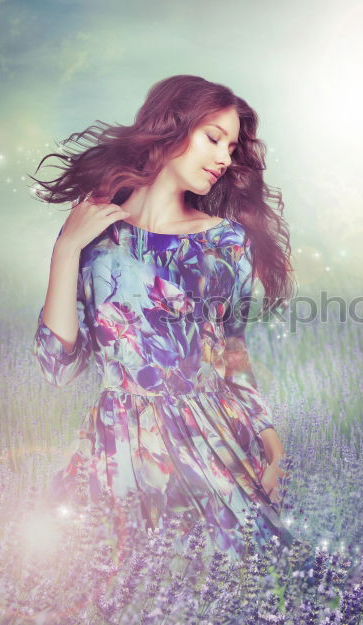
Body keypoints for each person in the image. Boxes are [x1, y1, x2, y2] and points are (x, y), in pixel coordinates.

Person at [28, 75, 298, 561]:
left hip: (212, 434)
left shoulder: (227, 243)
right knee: (109, 585)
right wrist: (66, 249)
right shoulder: (96, 238)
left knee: (244, 576)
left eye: (231, 147)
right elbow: (57, 369)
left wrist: (272, 444)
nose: (223, 158)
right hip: (118, 443)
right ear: (170, 126)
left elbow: (232, 352)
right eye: (213, 138)